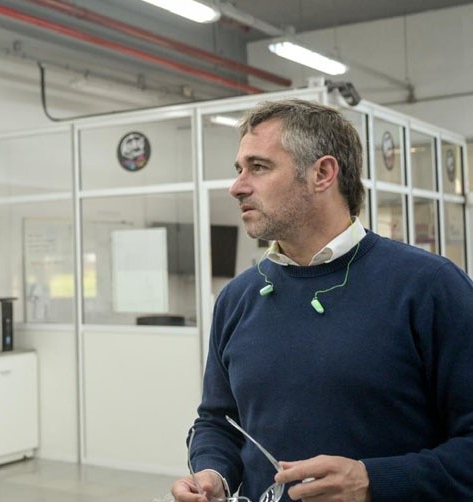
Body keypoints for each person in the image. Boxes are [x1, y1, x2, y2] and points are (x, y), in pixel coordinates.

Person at [171, 99, 473, 501]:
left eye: (259, 167)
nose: (237, 186)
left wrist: (374, 481)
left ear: (323, 174)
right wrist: (213, 473)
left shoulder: (430, 287)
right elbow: (217, 421)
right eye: (239, 169)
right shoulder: (237, 298)